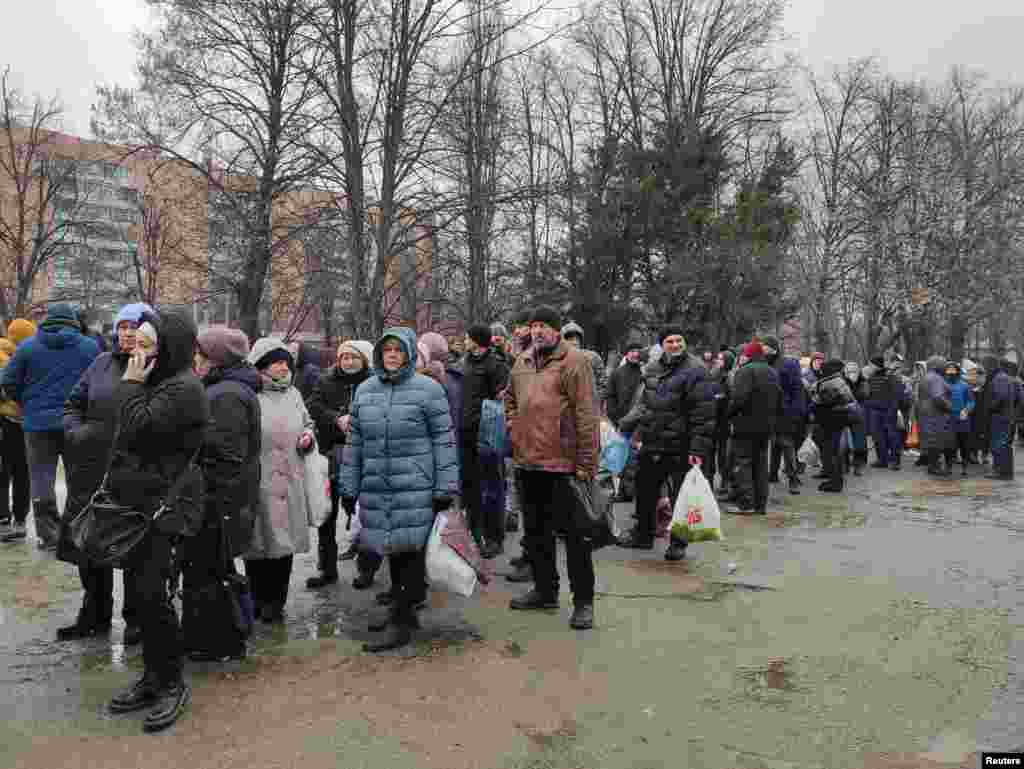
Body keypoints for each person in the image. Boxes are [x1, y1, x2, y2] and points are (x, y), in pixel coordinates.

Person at [105, 310, 208, 733]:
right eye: (138, 343)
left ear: (169, 348)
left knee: (154, 595)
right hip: (142, 503)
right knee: (142, 595)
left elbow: (137, 426)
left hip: (166, 508)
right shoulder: (161, 381)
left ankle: (172, 683)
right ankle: (152, 676)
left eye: (148, 345)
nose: (137, 351)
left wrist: (130, 384)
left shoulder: (184, 387)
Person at [340, 327, 459, 652]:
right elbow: (356, 441)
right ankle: (400, 611)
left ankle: (403, 620)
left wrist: (445, 486)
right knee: (389, 548)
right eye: (387, 350)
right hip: (378, 484)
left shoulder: (428, 390)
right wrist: (348, 486)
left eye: (398, 350)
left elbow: (444, 440)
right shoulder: (365, 390)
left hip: (416, 485)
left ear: (409, 353)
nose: (392, 355)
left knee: (409, 553)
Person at [58, 303, 153, 643]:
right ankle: (94, 614)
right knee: (90, 547)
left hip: (133, 473)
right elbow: (73, 404)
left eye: (136, 325)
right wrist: (77, 433)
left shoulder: (155, 368)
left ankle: (136, 620)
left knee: (134, 549)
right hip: (91, 471)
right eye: (123, 325)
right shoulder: (100, 364)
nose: (128, 332)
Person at [504, 306, 598, 629]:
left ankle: (583, 602)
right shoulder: (522, 362)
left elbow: (587, 413)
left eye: (544, 325)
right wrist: (515, 427)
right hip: (529, 462)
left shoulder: (575, 361)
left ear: (557, 330)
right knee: (536, 534)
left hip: (564, 464)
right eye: (534, 326)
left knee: (575, 538)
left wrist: (586, 463)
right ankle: (545, 591)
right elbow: (510, 400)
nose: (538, 331)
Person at [183, 327, 261, 662]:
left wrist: (205, 497)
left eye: (199, 355)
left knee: (212, 574)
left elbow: (225, 457)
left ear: (215, 359)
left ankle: (220, 641)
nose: (194, 361)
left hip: (218, 502)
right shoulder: (223, 389)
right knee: (214, 571)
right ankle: (217, 637)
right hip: (223, 500)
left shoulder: (226, 395)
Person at [0, 303, 99, 549]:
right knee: (78, 478)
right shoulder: (89, 347)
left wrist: (25, 401)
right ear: (73, 322)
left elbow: (7, 382)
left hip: (37, 423)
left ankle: (49, 534)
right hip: (76, 421)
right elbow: (99, 382)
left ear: (46, 322)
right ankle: (77, 531)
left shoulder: (27, 347)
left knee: (41, 477)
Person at [619, 326, 715, 559]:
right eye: (669, 341)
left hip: (681, 445)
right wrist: (626, 425)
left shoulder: (696, 370)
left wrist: (697, 449)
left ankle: (678, 543)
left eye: (678, 340)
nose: (674, 344)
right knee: (645, 490)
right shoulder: (652, 368)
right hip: (653, 441)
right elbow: (644, 404)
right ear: (661, 344)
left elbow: (704, 413)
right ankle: (643, 536)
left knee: (681, 497)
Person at [244, 339, 317, 622]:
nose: (283, 366)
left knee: (283, 543)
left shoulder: (294, 393)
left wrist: (308, 437)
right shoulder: (250, 393)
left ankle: (275, 602)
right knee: (257, 541)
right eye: (277, 361)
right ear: (262, 365)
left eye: (286, 361)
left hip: (289, 479)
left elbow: (307, 422)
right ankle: (256, 598)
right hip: (259, 478)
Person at [305, 339, 373, 587]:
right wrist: (336, 419)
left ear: (363, 360)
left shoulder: (374, 382)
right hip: (331, 454)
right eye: (344, 357)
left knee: (366, 513)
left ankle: (367, 569)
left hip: (365, 455)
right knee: (327, 514)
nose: (348, 361)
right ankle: (327, 568)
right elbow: (312, 405)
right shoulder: (325, 380)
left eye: (353, 357)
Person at [460, 324, 510, 558]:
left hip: (488, 435)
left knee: (492, 488)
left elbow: (502, 401)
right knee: (470, 488)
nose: (464, 341)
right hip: (466, 434)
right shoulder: (465, 361)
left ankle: (494, 538)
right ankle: (474, 532)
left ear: (477, 340)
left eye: (467, 337)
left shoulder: (495, 365)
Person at [725, 341, 782, 514]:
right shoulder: (772, 372)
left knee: (743, 463)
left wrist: (728, 414)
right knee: (761, 464)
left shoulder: (745, 371)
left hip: (745, 425)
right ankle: (760, 504)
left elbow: (738, 399)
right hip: (766, 426)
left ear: (748, 355)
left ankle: (746, 503)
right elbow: (779, 398)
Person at [0, 320, 35, 539]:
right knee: (22, 471)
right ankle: (19, 517)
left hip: (7, 421)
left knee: (5, 470)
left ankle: (4, 516)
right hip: (20, 421)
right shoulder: (15, 358)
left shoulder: (18, 356)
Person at [763, 335, 807, 494]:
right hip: (772, 411)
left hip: (786, 411)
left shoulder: (787, 364)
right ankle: (773, 474)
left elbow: (797, 389)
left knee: (786, 444)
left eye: (767, 348)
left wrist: (796, 411)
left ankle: (793, 479)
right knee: (775, 443)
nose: (764, 350)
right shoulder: (766, 364)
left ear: (774, 349)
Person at [810, 359, 858, 492]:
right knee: (834, 450)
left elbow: (819, 403)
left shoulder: (828, 384)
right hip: (839, 419)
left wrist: (813, 405)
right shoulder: (839, 381)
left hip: (830, 421)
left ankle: (835, 482)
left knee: (832, 451)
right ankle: (833, 478)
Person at [861, 356, 902, 469]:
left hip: (888, 411)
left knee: (892, 436)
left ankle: (895, 460)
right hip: (875, 411)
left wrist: (892, 410)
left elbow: (896, 395)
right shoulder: (871, 377)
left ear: (876, 365)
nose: (869, 367)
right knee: (877, 437)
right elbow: (868, 394)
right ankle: (882, 460)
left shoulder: (890, 376)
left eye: (871, 365)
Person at [917, 356, 955, 477]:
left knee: (932, 439)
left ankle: (933, 465)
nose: (945, 366)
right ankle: (934, 467)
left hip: (926, 413)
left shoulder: (926, 377)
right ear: (936, 366)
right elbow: (938, 397)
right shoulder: (936, 379)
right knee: (936, 440)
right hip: (935, 414)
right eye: (943, 364)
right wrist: (949, 406)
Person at [560, 321, 607, 408]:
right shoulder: (557, 360)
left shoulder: (593, 357)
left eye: (576, 339)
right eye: (569, 339)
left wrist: (594, 402)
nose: (574, 342)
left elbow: (602, 384)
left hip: (588, 408)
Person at [984, 357, 1017, 480]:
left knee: (1000, 445)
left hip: (1000, 417)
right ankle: (1005, 471)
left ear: (991, 366)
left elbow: (1000, 397)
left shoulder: (999, 379)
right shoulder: (1004, 377)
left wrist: (990, 408)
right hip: (1005, 416)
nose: (986, 370)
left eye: (986, 366)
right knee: (1004, 445)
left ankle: (1001, 471)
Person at [944, 361, 974, 477]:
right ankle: (948, 466)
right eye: (949, 373)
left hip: (962, 420)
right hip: (948, 420)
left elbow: (971, 401)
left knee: (964, 445)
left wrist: (966, 410)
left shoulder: (965, 386)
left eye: (953, 373)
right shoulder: (943, 385)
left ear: (958, 373)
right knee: (948, 445)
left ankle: (965, 466)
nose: (951, 375)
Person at [842, 361, 868, 476]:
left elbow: (864, 394)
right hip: (845, 414)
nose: (852, 373)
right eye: (849, 371)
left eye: (854, 371)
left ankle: (858, 465)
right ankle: (845, 464)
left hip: (858, 415)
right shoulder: (842, 382)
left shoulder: (863, 382)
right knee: (844, 443)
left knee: (859, 442)